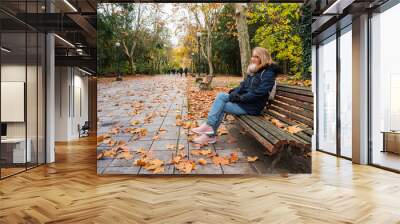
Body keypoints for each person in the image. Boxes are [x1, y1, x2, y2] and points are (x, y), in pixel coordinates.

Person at [190, 47, 279, 144]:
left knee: (221, 106)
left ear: (263, 58)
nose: (253, 59)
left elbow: (259, 92)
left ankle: (210, 133)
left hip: (253, 107)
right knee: (221, 96)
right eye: (252, 56)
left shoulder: (268, 73)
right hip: (245, 102)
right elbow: (243, 86)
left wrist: (240, 98)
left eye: (256, 57)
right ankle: (209, 128)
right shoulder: (255, 71)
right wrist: (234, 93)